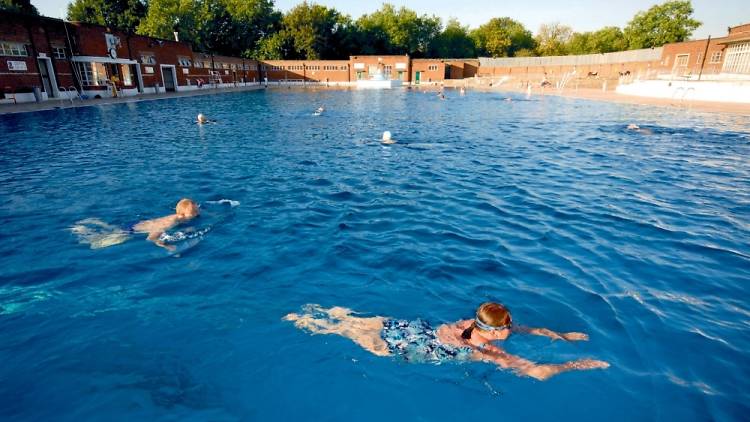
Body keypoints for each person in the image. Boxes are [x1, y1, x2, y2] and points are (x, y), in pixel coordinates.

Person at [284, 302, 609, 381]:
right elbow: (538, 373)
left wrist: (562, 336)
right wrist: (577, 363)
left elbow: (527, 329)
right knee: (341, 334)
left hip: (408, 328)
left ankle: (320, 313)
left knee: (354, 322)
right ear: (496, 332)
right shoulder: (486, 351)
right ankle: (309, 322)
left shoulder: (471, 323)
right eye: (510, 325)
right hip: (413, 348)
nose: (515, 327)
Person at [71, 198, 200, 250]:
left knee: (111, 230)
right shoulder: (171, 222)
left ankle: (94, 223)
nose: (197, 213)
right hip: (132, 231)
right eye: (194, 212)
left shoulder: (177, 216)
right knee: (95, 244)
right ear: (183, 215)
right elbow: (151, 237)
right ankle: (81, 230)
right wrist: (165, 245)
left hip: (138, 224)